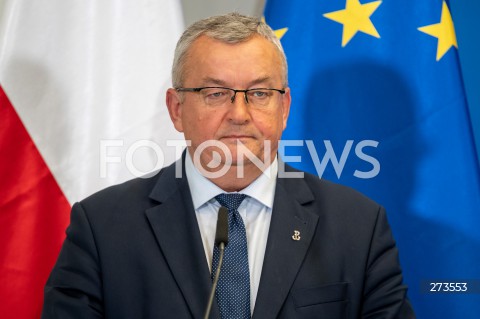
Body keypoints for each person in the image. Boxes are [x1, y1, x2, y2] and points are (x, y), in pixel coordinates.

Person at [42, 12, 415, 319]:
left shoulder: (358, 227)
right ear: (176, 109)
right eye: (215, 93)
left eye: (259, 94)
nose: (239, 114)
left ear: (283, 109)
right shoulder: (102, 227)